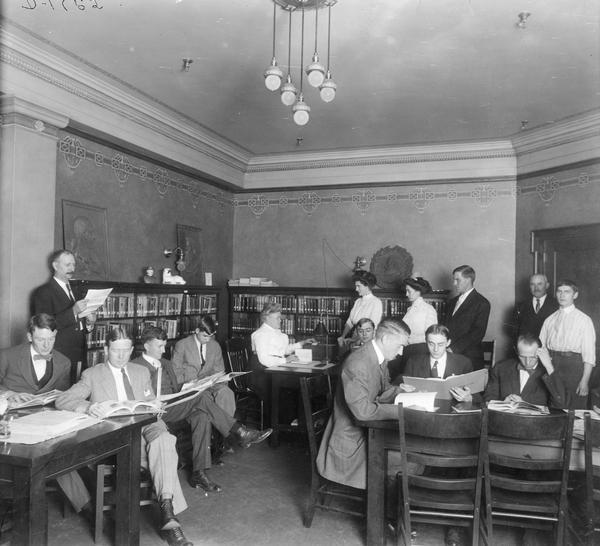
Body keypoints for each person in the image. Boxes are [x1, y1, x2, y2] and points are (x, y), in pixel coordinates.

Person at [55, 328, 193, 546]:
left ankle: (167, 510)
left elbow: (148, 402)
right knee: (162, 453)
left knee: (166, 439)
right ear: (106, 349)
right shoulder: (92, 374)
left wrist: (155, 406)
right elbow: (63, 400)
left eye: (126, 351)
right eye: (116, 351)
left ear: (132, 350)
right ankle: (169, 516)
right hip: (116, 435)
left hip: (146, 426)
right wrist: (90, 406)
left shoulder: (140, 372)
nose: (121, 356)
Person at [132, 326, 272, 492]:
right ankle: (239, 431)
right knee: (201, 398)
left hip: (174, 406)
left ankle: (199, 472)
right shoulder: (135, 367)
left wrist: (192, 387)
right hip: (156, 414)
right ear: (146, 346)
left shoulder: (166, 363)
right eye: (159, 346)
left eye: (164, 345)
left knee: (202, 415)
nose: (163, 350)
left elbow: (177, 389)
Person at [0, 314, 92, 517]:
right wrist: (9, 394)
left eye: (50, 339)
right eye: (41, 339)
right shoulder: (7, 356)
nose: (46, 345)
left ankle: (85, 507)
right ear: (29, 336)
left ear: (56, 335)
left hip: (44, 422)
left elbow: (62, 397)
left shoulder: (63, 362)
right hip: (9, 424)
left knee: (58, 453)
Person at [316, 319, 410, 489]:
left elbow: (380, 391)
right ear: (386, 339)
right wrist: (402, 411)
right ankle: (384, 510)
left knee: (407, 451)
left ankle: (388, 506)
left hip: (366, 432)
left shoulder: (376, 356)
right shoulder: (359, 362)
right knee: (409, 459)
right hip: (351, 441)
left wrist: (400, 392)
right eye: (400, 346)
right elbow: (363, 412)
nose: (401, 352)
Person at [31, 249, 95, 380]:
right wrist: (73, 311)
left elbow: (78, 325)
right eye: (68, 265)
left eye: (73, 265)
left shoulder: (76, 290)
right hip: (59, 355)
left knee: (76, 394)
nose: (72, 268)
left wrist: (89, 323)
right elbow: (44, 326)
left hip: (79, 354)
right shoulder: (43, 292)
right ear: (55, 266)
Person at [539, 279, 596, 409]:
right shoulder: (550, 319)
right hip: (552, 365)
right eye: (559, 291)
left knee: (573, 407)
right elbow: (542, 347)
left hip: (573, 368)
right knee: (554, 405)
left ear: (575, 295)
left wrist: (584, 381)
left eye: (567, 292)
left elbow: (589, 355)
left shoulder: (584, 320)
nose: (562, 295)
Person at [250, 302, 316, 402]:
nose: (280, 320)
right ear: (267, 318)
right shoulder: (261, 334)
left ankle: (294, 415)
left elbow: (283, 350)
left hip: (274, 369)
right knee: (298, 384)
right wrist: (286, 360)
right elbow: (264, 359)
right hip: (261, 374)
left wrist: (302, 343)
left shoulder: (275, 332)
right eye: (277, 318)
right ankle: (288, 415)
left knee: (301, 382)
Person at [171, 315, 235, 417]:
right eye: (205, 336)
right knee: (205, 397)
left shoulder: (215, 346)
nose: (208, 339)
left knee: (226, 393)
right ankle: (221, 429)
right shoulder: (182, 345)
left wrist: (218, 380)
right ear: (197, 331)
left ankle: (225, 431)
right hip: (190, 387)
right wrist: (190, 382)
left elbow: (219, 370)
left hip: (209, 384)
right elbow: (175, 372)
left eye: (211, 336)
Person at [479, 334, 566, 408]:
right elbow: (487, 400)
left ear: (540, 352)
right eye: (523, 357)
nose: (527, 362)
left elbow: (561, 404)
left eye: (532, 357)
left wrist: (549, 366)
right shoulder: (501, 368)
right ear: (516, 352)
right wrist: (502, 403)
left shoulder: (550, 371)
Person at [443, 265, 490, 370]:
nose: (454, 284)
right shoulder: (452, 302)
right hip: (448, 356)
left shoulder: (482, 303)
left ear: (468, 280)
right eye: (453, 280)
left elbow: (477, 333)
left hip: (469, 358)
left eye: (457, 280)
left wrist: (453, 349)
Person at [402, 324, 472, 381]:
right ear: (426, 341)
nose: (435, 349)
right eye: (431, 344)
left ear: (448, 343)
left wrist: (467, 397)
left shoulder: (464, 363)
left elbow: (474, 393)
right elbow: (402, 383)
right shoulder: (413, 362)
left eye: (440, 344)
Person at [337, 270, 383, 348]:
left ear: (367, 286)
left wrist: (355, 340)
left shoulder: (376, 302)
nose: (356, 289)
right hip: (355, 338)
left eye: (358, 286)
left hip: (367, 342)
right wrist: (343, 336)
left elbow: (371, 328)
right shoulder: (358, 301)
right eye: (356, 286)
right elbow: (350, 321)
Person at [514, 274, 558, 339]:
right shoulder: (521, 306)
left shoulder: (556, 305)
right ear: (529, 286)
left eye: (539, 284)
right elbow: (515, 331)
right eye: (532, 284)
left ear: (547, 285)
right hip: (527, 347)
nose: (536, 288)